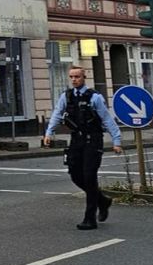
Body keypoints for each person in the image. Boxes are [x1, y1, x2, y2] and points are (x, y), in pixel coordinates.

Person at [43, 66, 123, 230]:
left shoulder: (94, 97)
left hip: (92, 140)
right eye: (71, 77)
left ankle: (90, 218)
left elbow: (107, 119)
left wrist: (117, 141)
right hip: (76, 140)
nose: (74, 80)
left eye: (77, 77)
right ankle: (102, 200)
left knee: (89, 176)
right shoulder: (67, 96)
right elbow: (57, 114)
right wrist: (49, 133)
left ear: (84, 77)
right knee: (75, 175)